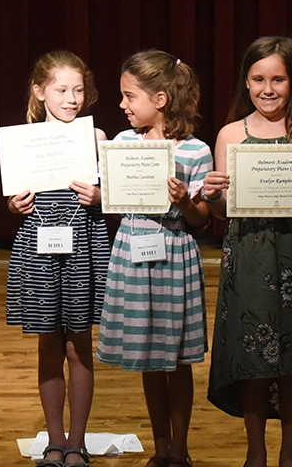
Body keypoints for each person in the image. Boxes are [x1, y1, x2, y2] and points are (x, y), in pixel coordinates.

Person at [200, 37, 292, 467]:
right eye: (259, 79)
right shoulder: (230, 134)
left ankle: (291, 454)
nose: (268, 88)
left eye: (278, 79)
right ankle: (256, 453)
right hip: (248, 257)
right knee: (253, 359)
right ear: (246, 82)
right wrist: (211, 195)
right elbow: (222, 212)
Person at [96, 50, 213, 467]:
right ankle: (160, 448)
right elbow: (111, 197)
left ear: (160, 99)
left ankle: (180, 452)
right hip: (132, 250)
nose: (123, 105)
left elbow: (202, 219)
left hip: (175, 252)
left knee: (176, 359)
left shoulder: (196, 150)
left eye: (130, 96)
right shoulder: (124, 143)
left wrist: (184, 201)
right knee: (148, 357)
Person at [5, 51, 109, 467]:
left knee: (79, 344)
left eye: (79, 89)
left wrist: (102, 196)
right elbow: (15, 198)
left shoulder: (97, 138)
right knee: (49, 345)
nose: (71, 98)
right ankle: (54, 440)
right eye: (62, 90)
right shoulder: (24, 140)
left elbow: (117, 194)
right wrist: (15, 205)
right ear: (39, 91)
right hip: (39, 246)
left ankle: (77, 442)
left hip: (83, 241)